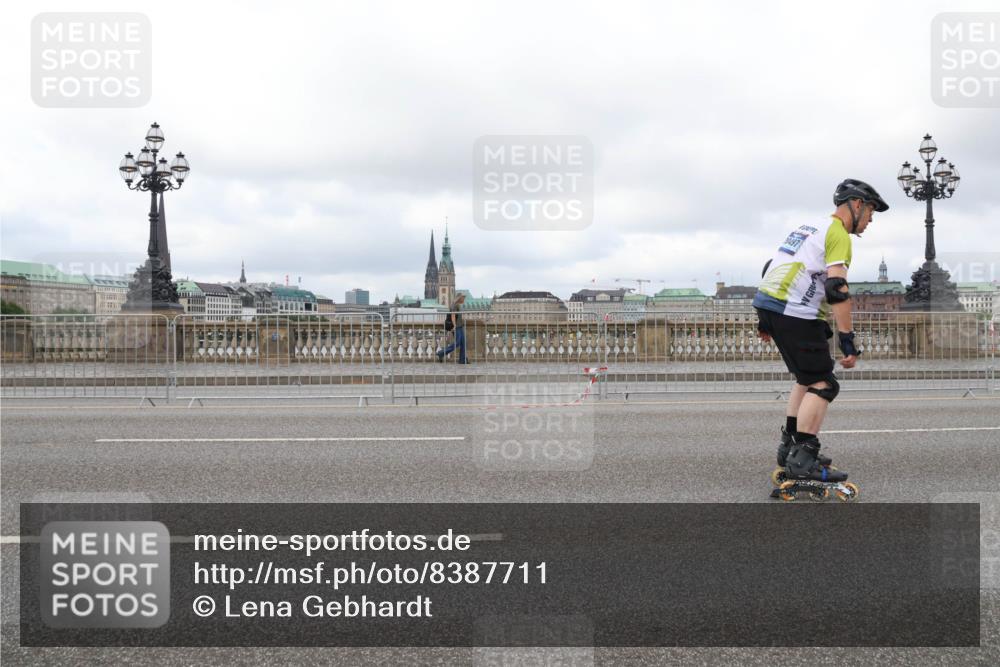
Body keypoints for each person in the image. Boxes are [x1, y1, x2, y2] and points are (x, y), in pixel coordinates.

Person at [753, 179, 888, 487]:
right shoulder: (839, 234)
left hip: (772, 305)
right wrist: (847, 339)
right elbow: (836, 289)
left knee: (806, 378)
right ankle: (803, 457)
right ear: (856, 204)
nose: (869, 221)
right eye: (870, 213)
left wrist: (765, 319)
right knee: (824, 384)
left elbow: (772, 266)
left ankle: (790, 446)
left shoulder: (808, 227)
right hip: (795, 313)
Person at [438, 293, 468, 364]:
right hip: (457, 327)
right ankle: (441, 353)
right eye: (463, 298)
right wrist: (454, 326)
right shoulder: (454, 305)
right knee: (457, 343)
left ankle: (462, 360)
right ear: (459, 298)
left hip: (460, 326)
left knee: (463, 343)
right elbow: (453, 316)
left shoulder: (457, 305)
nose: (464, 299)